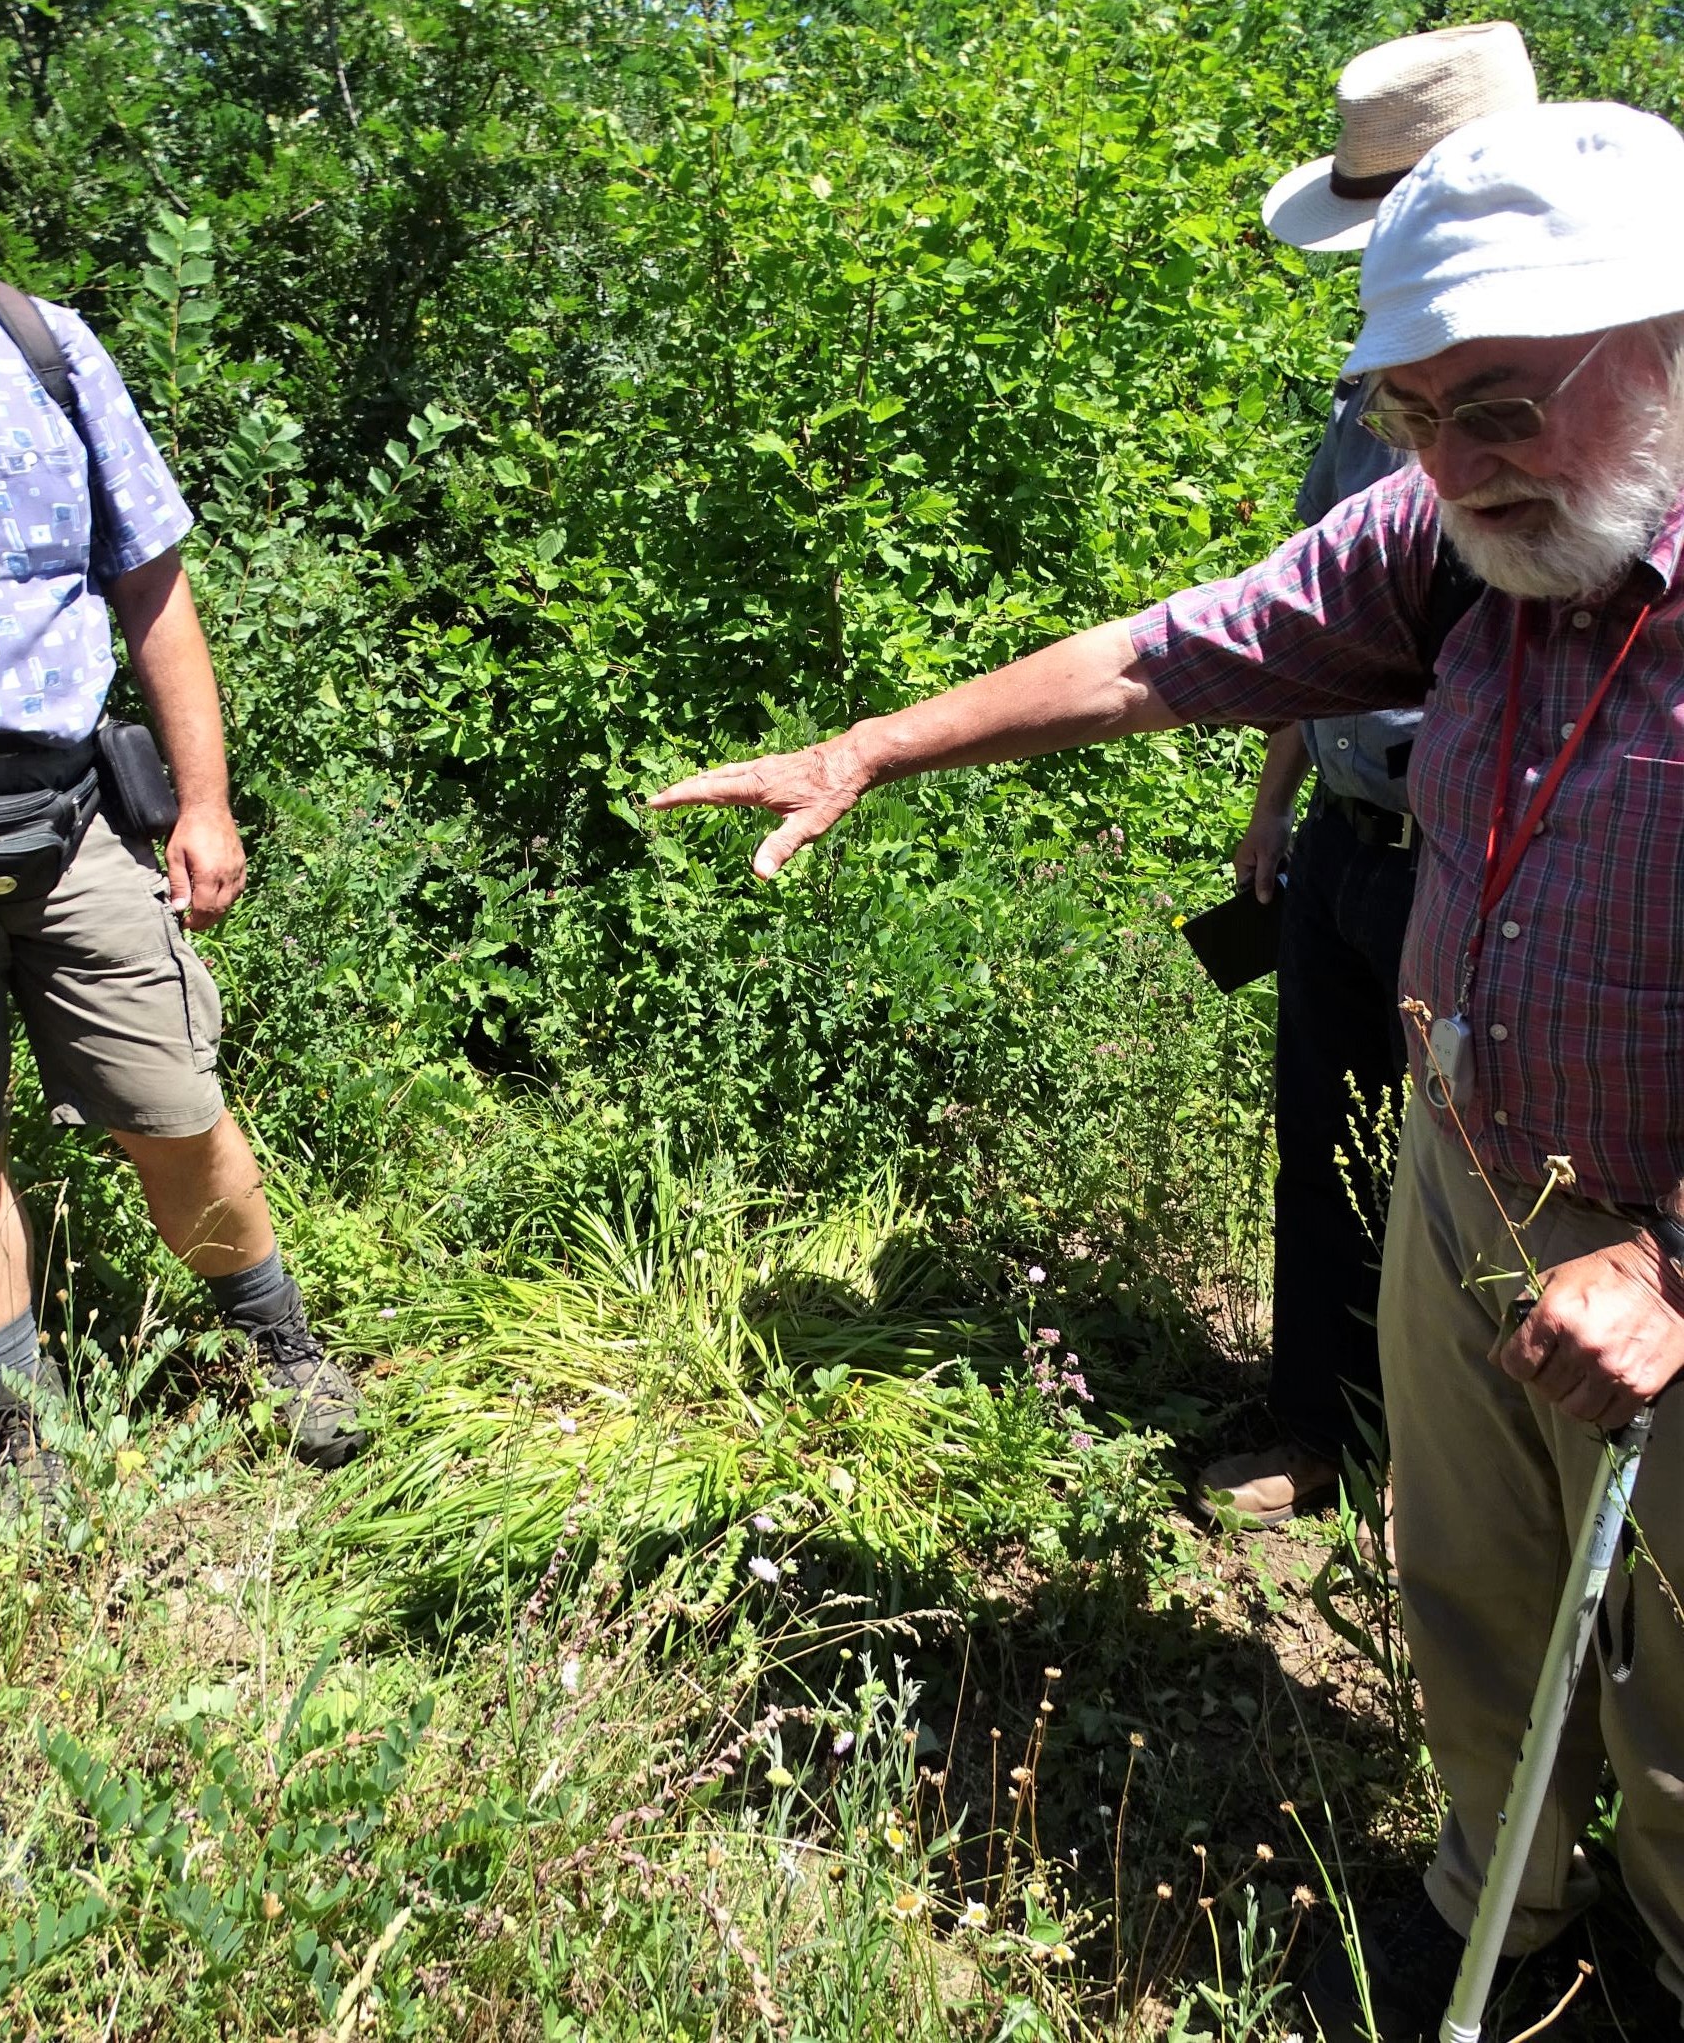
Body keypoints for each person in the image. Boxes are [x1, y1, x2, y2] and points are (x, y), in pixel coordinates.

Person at [651, 100, 1684, 2038]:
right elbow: (1175, 652)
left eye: (1495, 411)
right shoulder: (1451, 533)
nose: (1446, 467)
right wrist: (870, 744)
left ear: (1661, 339)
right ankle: (1495, 1907)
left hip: (1665, 1234)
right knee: (1465, 1575)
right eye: (1406, 418)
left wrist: (1668, 1266)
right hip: (1479, 1164)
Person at [0, 116, 363, 1488]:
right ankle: (16, 1435)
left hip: (68, 821)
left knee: (167, 1100)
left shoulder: (47, 352)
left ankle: (280, 1352)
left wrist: (204, 806)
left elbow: (152, 586)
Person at [1196, 21, 1539, 1529]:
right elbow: (1307, 627)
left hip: (1479, 865)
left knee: (1476, 1176)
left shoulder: (1579, 385)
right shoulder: (1366, 399)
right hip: (1349, 834)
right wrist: (1273, 805)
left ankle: (1465, 1474)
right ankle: (1312, 1424)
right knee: (1323, 1139)